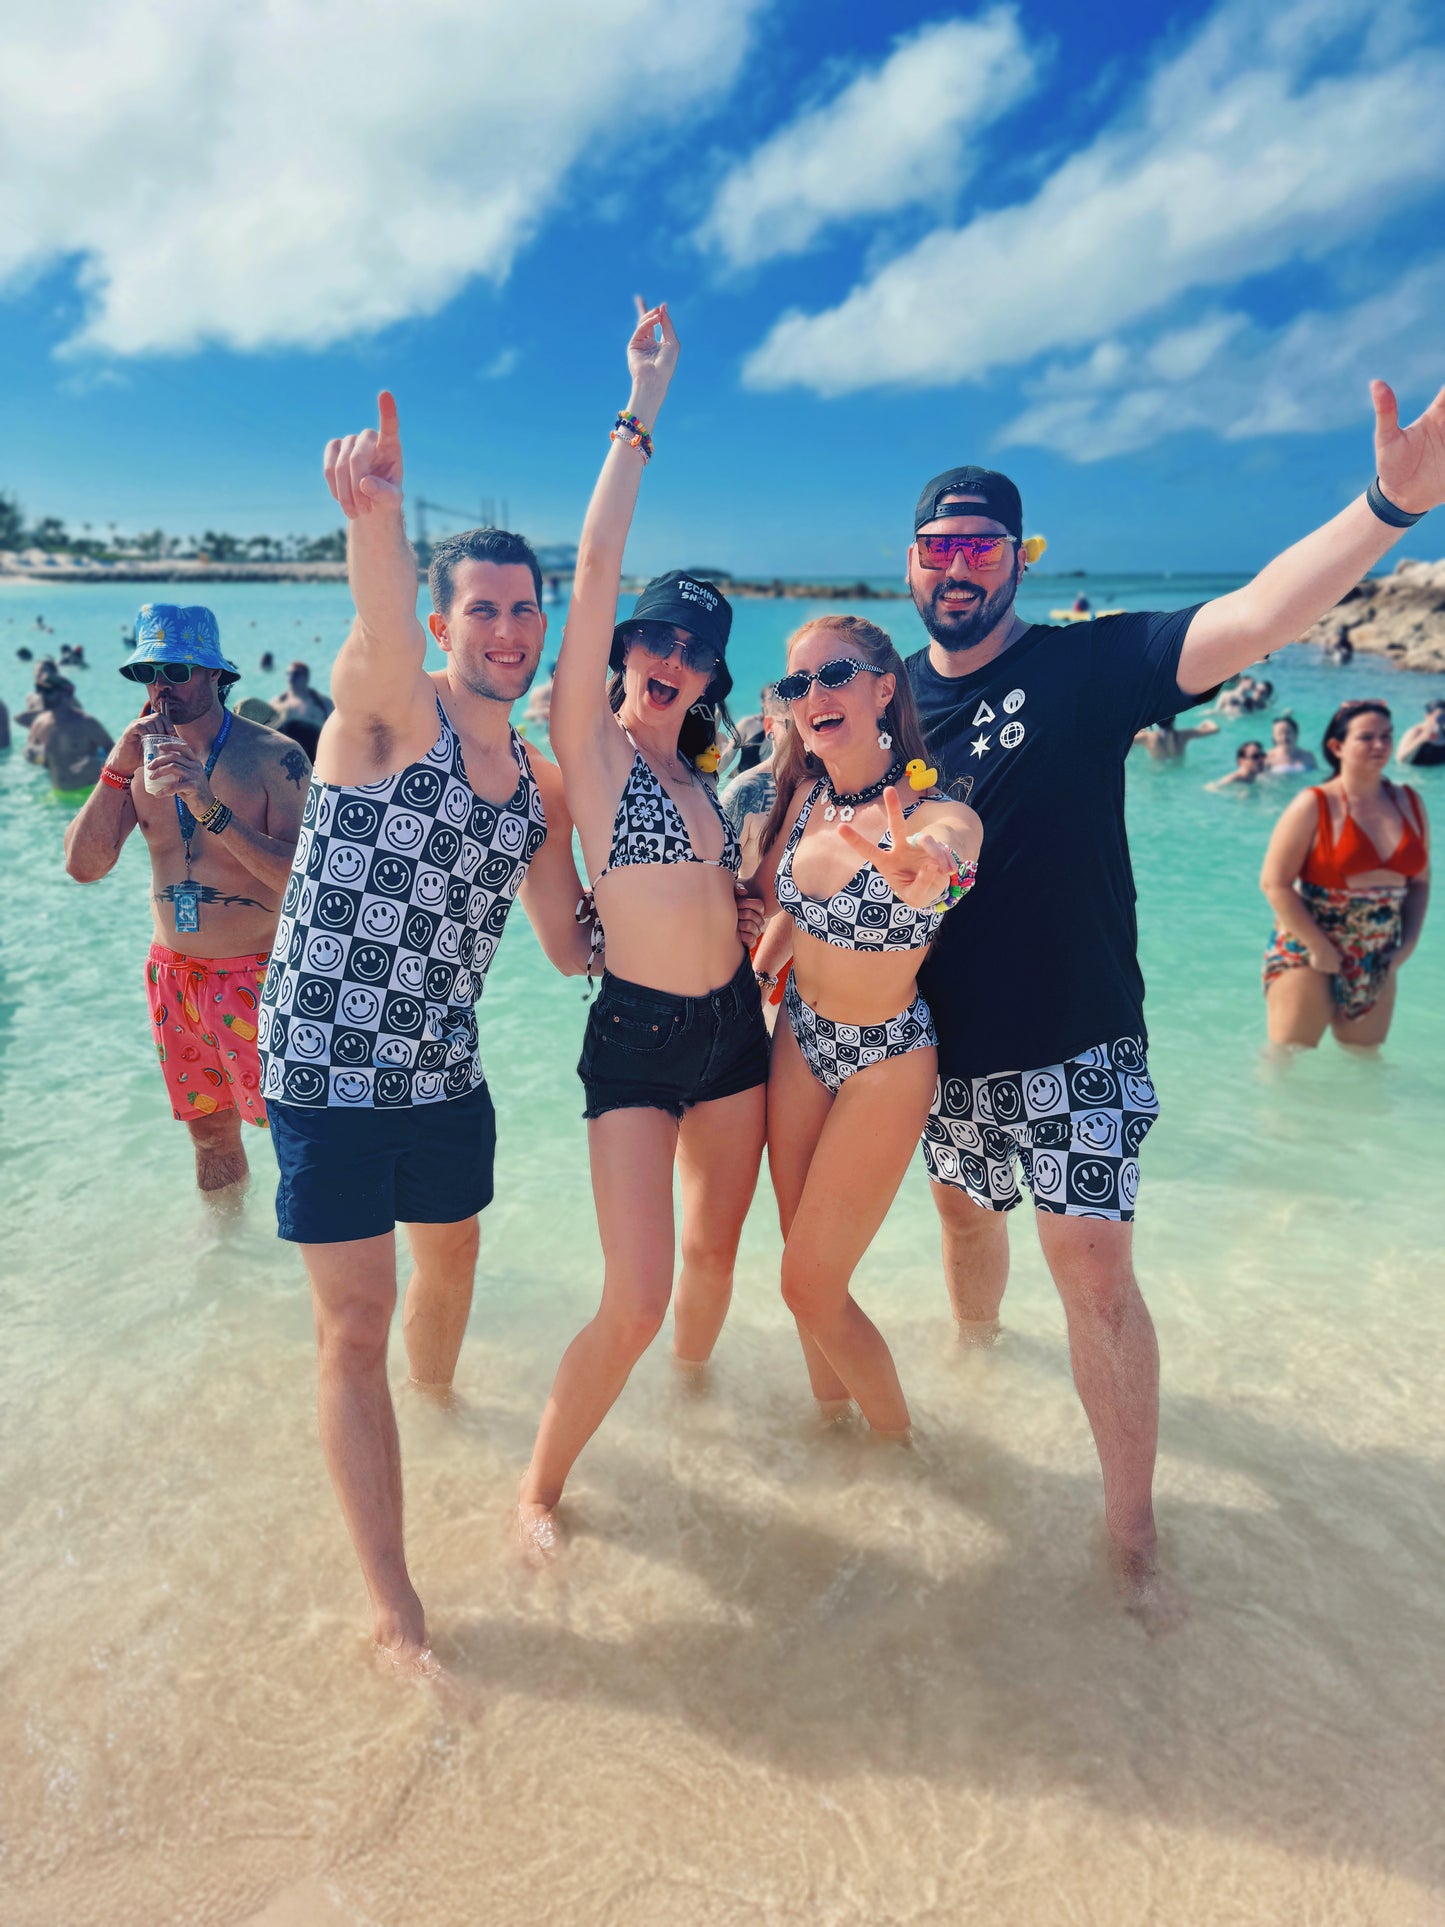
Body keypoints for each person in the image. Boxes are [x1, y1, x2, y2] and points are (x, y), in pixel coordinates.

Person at [904, 371, 1445, 1627]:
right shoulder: (886, 704)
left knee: (1092, 1273)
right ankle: (979, 1371)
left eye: (981, 544)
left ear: (1016, 559)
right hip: (941, 1050)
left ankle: (1131, 1537)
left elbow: (1257, 615)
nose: (958, 565)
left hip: (1082, 1031)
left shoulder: (1090, 665)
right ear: (913, 563)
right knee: (964, 1233)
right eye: (937, 546)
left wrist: (1384, 507)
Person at [262, 392, 594, 1671]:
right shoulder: (389, 712)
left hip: (444, 1068)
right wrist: (381, 517)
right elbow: (376, 624)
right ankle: (394, 1601)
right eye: (485, 609)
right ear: (448, 623)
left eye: (526, 608)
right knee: (354, 1321)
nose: (507, 629)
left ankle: (442, 1408)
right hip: (325, 1068)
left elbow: (571, 944)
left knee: (449, 1263)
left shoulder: (536, 785)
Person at [517, 304, 770, 1556]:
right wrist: (643, 401)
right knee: (633, 1294)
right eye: (654, 639)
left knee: (715, 1263)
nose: (671, 656)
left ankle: (688, 1406)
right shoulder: (595, 754)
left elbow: (701, 910)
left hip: (737, 1035)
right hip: (634, 1044)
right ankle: (539, 1491)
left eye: (695, 651)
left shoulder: (701, 787)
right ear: (620, 653)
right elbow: (599, 556)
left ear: (713, 680)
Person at [748, 616, 981, 1433]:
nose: (815, 694)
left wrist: (933, 875)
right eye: (795, 684)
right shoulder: (804, 796)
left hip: (885, 1057)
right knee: (798, 1259)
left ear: (884, 686)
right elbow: (789, 911)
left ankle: (896, 1448)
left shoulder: (933, 811)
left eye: (835, 673)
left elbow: (946, 865)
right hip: (800, 1037)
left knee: (807, 1281)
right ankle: (829, 1429)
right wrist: (750, 972)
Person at [63, 605, 308, 1196]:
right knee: (211, 1138)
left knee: (300, 1136)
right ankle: (225, 1263)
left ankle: (327, 1271)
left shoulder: (276, 758)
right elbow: (83, 867)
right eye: (148, 672)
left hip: (262, 975)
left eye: (175, 670)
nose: (160, 687)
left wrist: (207, 805)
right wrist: (116, 770)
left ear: (215, 674)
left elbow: (309, 886)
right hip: (173, 978)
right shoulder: (136, 762)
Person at [1261, 702, 1430, 1050]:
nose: (1380, 745)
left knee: (1364, 1063)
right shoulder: (1314, 804)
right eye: (1366, 737)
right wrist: (1319, 947)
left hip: (1377, 952)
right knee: (1287, 1061)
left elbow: (1420, 884)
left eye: (1386, 736)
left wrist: (1407, 945)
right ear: (1337, 747)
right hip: (1309, 948)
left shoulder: (1410, 802)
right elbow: (1274, 883)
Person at [718, 685, 789, 863]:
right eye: (791, 724)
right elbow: (727, 757)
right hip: (746, 783)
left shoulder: (825, 787)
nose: (801, 733)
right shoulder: (741, 793)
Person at [25, 677, 112, 793]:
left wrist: (98, 764)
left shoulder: (86, 723)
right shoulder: (39, 724)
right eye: (40, 690)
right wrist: (30, 755)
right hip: (58, 793)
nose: (42, 695)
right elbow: (34, 756)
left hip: (89, 792)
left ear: (66, 693)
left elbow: (114, 751)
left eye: (49, 691)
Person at [273, 659, 333, 729]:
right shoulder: (276, 704)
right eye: (288, 674)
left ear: (306, 677)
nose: (291, 678)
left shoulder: (324, 703)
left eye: (296, 674)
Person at [1131, 714, 1220, 761]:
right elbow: (1215, 729)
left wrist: (1139, 729)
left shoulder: (1147, 737)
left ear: (1156, 723)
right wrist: (1206, 721)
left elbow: (1124, 739)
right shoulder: (1184, 735)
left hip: (1158, 774)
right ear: (1174, 721)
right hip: (1180, 774)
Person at [1397, 697, 1445, 767]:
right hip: (1417, 775)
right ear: (1427, 716)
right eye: (1439, 718)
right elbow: (1400, 759)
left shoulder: (1443, 731)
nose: (1442, 721)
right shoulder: (1416, 732)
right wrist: (1421, 739)